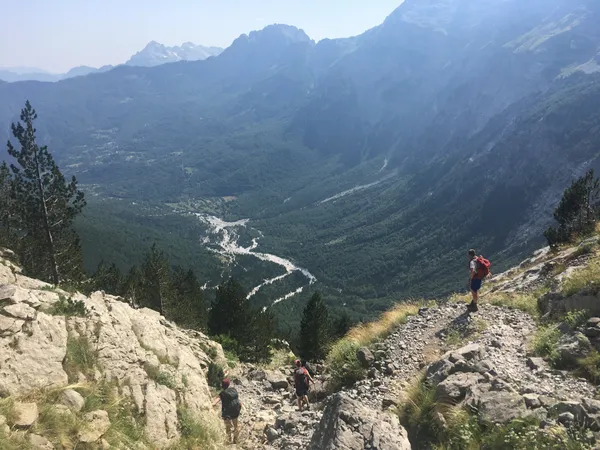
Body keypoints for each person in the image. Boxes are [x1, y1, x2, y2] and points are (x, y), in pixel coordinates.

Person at [212, 378, 242, 444]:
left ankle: (228, 441)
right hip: (236, 409)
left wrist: (210, 404)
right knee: (236, 426)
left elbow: (215, 402)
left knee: (228, 427)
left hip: (227, 412)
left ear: (222, 385)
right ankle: (235, 440)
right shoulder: (234, 389)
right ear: (229, 384)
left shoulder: (222, 393)